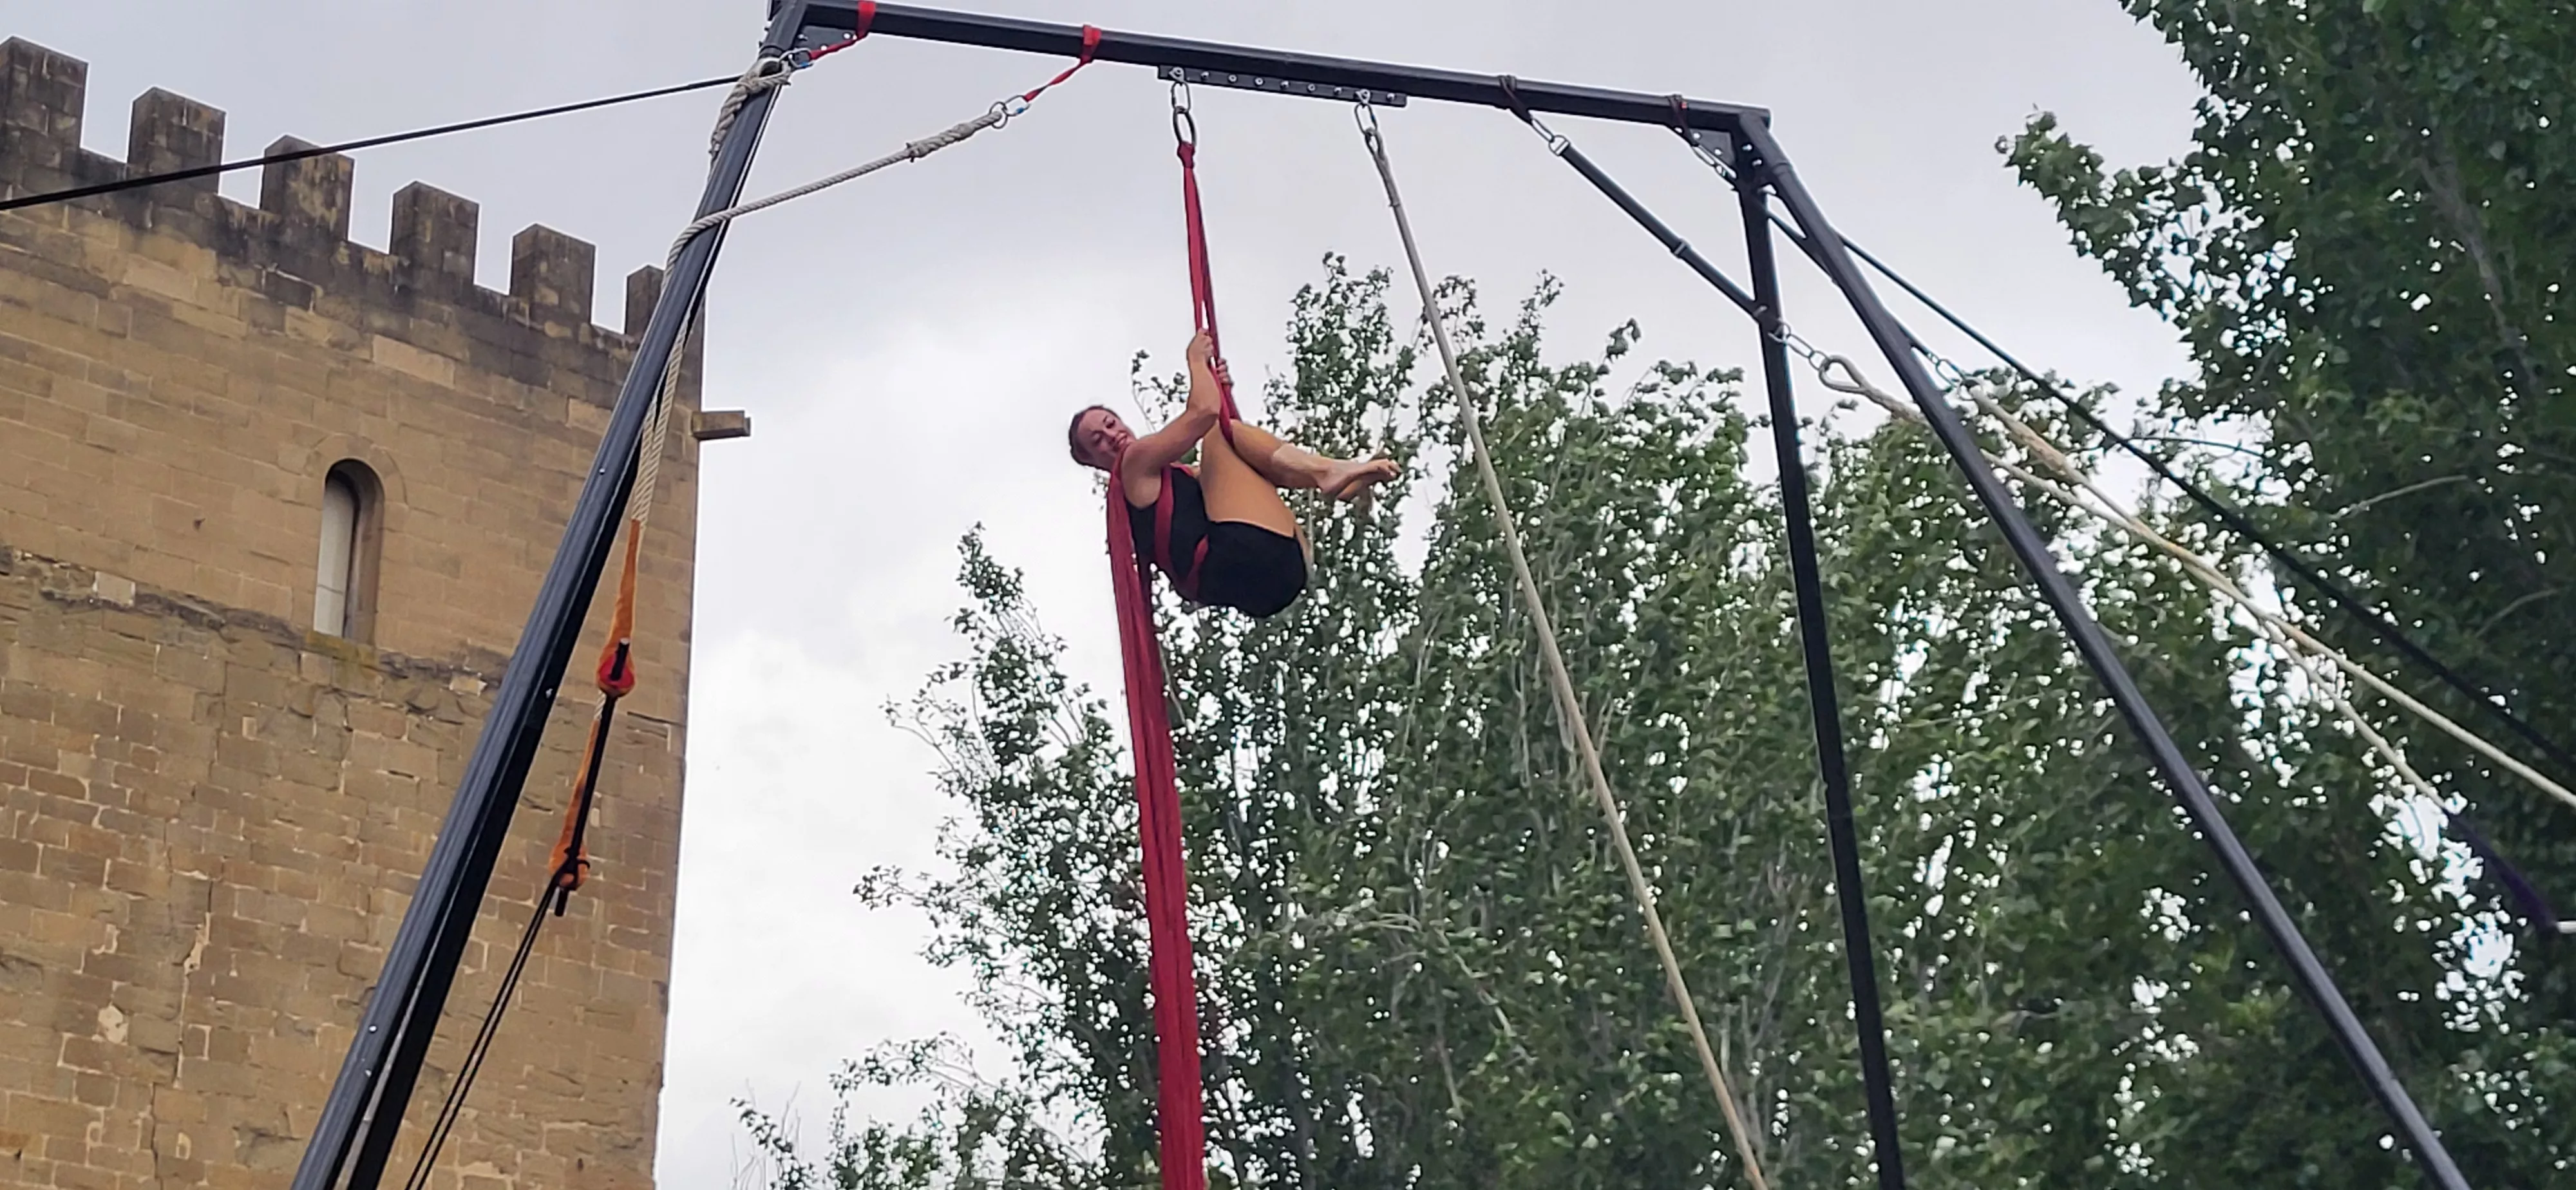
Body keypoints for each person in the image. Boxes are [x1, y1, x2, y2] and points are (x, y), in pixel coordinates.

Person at [1069, 332, 1397, 618]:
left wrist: (1223, 393)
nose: (1110, 436)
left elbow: (1244, 466)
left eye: (1110, 424)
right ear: (1091, 460)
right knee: (1215, 433)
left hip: (1270, 578)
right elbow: (1206, 413)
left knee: (1226, 441)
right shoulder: (1133, 465)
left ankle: (1333, 481)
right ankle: (1326, 473)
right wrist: (1196, 361)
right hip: (1243, 558)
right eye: (1097, 440)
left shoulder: (1174, 478)